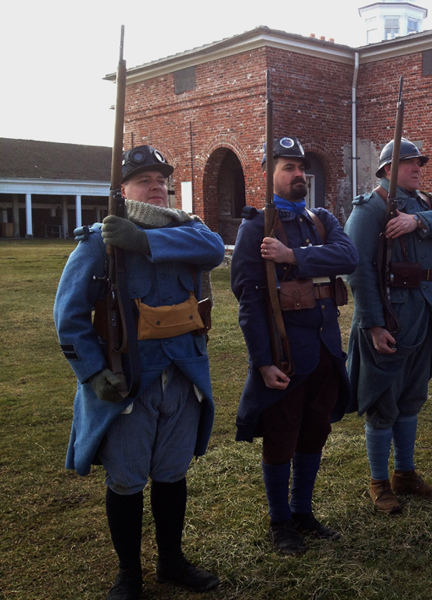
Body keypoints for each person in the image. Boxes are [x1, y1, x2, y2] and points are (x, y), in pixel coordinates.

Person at [54, 145, 224, 599]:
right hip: (131, 378)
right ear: (123, 189)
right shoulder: (99, 240)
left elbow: (212, 251)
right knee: (127, 480)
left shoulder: (189, 230)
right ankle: (129, 573)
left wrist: (144, 242)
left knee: (171, 473)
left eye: (162, 179)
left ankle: (171, 562)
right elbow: (69, 316)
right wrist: (92, 374)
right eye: (145, 179)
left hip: (183, 376)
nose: (157, 187)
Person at [230, 137, 358, 556]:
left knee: (314, 431)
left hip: (324, 347)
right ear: (268, 174)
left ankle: (303, 511)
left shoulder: (320, 220)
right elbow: (248, 300)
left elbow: (348, 256)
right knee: (282, 436)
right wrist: (262, 362)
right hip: (286, 352)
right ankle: (280, 520)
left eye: (301, 167)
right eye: (288, 167)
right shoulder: (255, 228)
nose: (298, 174)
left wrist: (293, 255)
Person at [345, 138, 432, 513]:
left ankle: (405, 473)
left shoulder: (427, 205)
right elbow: (358, 269)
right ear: (386, 169)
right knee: (383, 400)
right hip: (390, 317)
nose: (417, 168)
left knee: (411, 399)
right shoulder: (370, 210)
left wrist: (417, 220)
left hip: (426, 313)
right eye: (408, 162)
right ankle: (379, 482)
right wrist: (373, 325)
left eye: (419, 162)